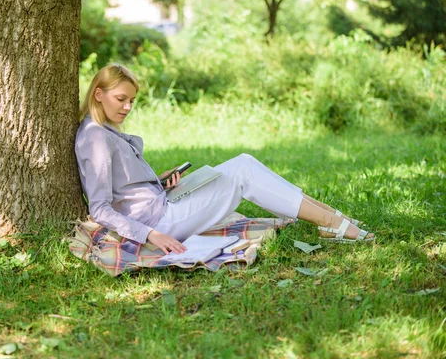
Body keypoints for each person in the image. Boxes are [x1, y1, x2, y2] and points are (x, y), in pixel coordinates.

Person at [75, 64, 374, 255]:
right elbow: (100, 207)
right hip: (160, 221)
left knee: (244, 161)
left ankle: (331, 217)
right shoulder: (95, 138)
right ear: (98, 94)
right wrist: (152, 235)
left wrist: (159, 182)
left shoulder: (105, 131)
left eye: (131, 101)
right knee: (242, 172)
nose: (128, 107)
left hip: (162, 204)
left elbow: (125, 187)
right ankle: (333, 222)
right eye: (121, 99)